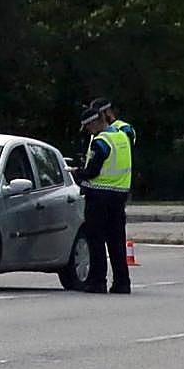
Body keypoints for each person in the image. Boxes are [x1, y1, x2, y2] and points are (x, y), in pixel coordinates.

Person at [71, 104, 133, 294]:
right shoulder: (122, 137)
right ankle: (122, 283)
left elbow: (93, 172)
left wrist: (77, 173)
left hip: (98, 197)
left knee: (96, 241)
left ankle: (98, 282)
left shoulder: (101, 142)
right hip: (119, 195)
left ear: (96, 123)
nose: (88, 131)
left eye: (89, 127)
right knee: (117, 241)